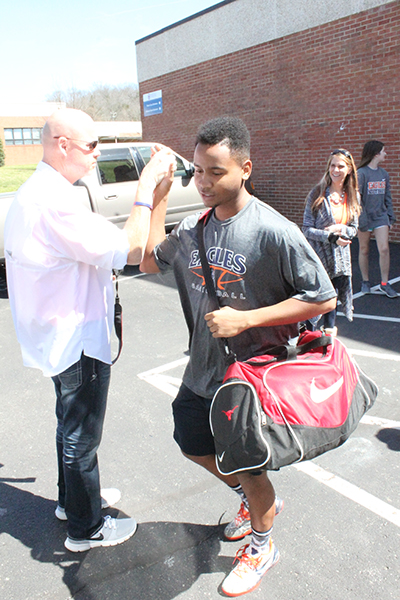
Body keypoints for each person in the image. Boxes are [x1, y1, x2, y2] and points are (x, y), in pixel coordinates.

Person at [139, 116, 336, 596]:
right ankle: (249, 500)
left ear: (245, 169)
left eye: (216, 172)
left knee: (250, 468)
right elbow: (147, 260)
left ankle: (262, 545)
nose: (204, 182)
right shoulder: (193, 228)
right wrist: (159, 196)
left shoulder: (273, 231)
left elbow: (322, 297)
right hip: (201, 369)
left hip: (250, 378)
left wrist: (247, 320)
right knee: (191, 443)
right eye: (198, 171)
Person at [4, 108, 175, 553]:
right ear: (62, 145)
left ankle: (73, 501)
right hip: (75, 337)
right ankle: (87, 528)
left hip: (53, 334)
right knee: (81, 435)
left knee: (69, 424)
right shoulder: (54, 202)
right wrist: (146, 187)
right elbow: (131, 249)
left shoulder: (35, 193)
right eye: (92, 145)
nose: (99, 153)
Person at [302, 149, 360, 335]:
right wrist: (330, 237)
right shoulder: (317, 194)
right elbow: (306, 229)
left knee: (331, 300)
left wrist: (341, 229)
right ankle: (308, 337)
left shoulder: (353, 196)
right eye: (332, 165)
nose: (336, 170)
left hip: (339, 261)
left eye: (341, 166)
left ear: (349, 170)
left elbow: (354, 229)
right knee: (314, 302)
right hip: (317, 258)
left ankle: (328, 335)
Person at [357, 140, 397, 298]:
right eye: (383, 151)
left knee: (384, 249)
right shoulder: (361, 173)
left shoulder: (384, 174)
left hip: (381, 217)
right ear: (375, 154)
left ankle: (384, 284)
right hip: (365, 218)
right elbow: (357, 199)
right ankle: (365, 281)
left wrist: (390, 217)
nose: (385, 154)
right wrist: (361, 219)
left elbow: (388, 197)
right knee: (364, 249)